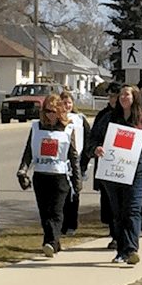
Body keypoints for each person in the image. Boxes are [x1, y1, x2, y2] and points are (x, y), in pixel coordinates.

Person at [92, 85, 142, 265]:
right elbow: (93, 140)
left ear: (135, 97)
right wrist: (95, 149)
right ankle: (121, 250)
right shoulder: (108, 119)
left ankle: (131, 249)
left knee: (133, 210)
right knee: (118, 212)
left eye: (126, 94)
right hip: (113, 173)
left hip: (137, 173)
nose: (123, 97)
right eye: (121, 95)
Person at [16, 94, 82, 257]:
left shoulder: (68, 129)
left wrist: (77, 180)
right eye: (47, 111)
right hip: (41, 175)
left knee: (56, 212)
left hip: (60, 177)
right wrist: (23, 170)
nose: (50, 115)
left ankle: (49, 242)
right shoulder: (36, 128)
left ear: (60, 112)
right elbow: (29, 151)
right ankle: (55, 242)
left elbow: (73, 156)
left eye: (53, 111)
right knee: (44, 212)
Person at [89, 82, 121, 249]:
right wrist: (95, 149)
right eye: (110, 96)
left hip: (124, 167)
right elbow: (92, 139)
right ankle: (114, 235)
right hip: (106, 166)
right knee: (109, 203)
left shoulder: (130, 115)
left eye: (116, 95)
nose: (113, 99)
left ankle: (124, 235)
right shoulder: (103, 116)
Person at [60, 90, 92, 237]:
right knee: (62, 195)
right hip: (59, 164)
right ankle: (61, 224)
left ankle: (72, 224)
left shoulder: (80, 119)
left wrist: (83, 163)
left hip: (76, 162)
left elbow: (87, 142)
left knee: (74, 194)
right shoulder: (55, 119)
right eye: (64, 103)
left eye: (69, 103)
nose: (66, 106)